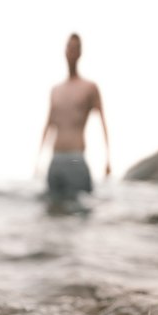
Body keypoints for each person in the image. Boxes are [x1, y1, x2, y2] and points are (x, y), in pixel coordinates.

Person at [37, 33, 111, 201]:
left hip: (76, 158)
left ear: (80, 53)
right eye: (69, 47)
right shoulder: (55, 90)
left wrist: (108, 159)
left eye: (75, 48)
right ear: (64, 51)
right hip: (55, 160)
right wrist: (38, 160)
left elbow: (103, 122)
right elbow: (48, 125)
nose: (71, 52)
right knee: (51, 213)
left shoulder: (89, 87)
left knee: (80, 212)